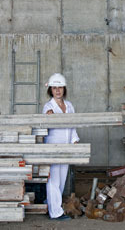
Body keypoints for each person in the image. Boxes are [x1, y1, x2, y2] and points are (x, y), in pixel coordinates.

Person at [42, 73, 80, 221]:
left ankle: (50, 204)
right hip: (52, 148)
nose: (57, 91)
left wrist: (75, 141)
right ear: (50, 90)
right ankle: (55, 212)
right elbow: (48, 118)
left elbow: (72, 127)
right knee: (53, 180)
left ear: (64, 89)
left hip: (66, 148)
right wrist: (49, 115)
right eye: (54, 88)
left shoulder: (69, 106)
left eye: (60, 88)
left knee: (62, 179)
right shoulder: (48, 106)